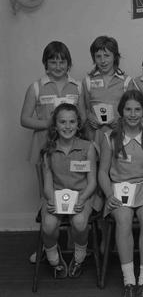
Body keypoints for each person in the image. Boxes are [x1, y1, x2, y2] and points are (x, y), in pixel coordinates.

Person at [20, 41, 83, 263]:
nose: (57, 65)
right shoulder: (36, 87)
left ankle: (71, 243)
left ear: (68, 63)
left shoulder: (78, 86)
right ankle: (48, 246)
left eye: (62, 61)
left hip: (71, 152)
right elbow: (24, 119)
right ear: (45, 64)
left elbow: (82, 118)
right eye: (53, 61)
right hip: (44, 148)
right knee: (47, 198)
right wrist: (50, 123)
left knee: (73, 193)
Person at [98, 90, 143, 297]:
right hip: (119, 189)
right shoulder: (110, 137)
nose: (133, 114)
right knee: (124, 218)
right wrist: (109, 195)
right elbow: (102, 172)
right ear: (121, 111)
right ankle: (129, 280)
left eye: (137, 109)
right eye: (128, 109)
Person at [40, 103, 96, 279]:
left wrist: (82, 199)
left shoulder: (88, 147)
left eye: (72, 122)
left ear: (78, 124)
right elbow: (48, 185)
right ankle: (54, 260)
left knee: (79, 223)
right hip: (56, 196)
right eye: (62, 122)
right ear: (55, 125)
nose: (67, 126)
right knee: (48, 226)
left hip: (82, 195)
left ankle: (79, 258)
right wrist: (51, 200)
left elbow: (92, 182)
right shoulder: (48, 150)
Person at [82, 35, 131, 147]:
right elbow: (84, 108)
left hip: (119, 135)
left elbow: (132, 109)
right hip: (94, 135)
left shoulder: (127, 81)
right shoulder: (87, 81)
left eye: (107, 55)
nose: (103, 61)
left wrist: (121, 120)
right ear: (94, 58)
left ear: (115, 56)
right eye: (98, 56)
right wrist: (89, 116)